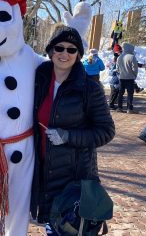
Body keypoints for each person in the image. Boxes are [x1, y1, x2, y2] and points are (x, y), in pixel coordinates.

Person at [0, 0, 92, 234]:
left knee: (17, 215)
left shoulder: (30, 58)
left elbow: (62, 64)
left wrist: (75, 35)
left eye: (4, 16)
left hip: (22, 152)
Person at [30, 24, 115, 235]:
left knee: (70, 230)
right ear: (50, 51)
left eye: (71, 49)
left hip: (75, 177)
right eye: (59, 48)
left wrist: (68, 136)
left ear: (78, 55)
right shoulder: (38, 80)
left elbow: (106, 131)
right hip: (44, 174)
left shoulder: (89, 88)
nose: (64, 54)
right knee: (53, 228)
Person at [116, 42, 139, 114]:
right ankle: (129, 109)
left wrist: (121, 74)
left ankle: (119, 107)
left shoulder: (119, 57)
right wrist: (134, 75)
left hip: (121, 78)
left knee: (120, 93)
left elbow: (117, 68)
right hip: (130, 78)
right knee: (130, 93)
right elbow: (135, 68)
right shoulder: (132, 57)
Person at [107, 44, 122, 110]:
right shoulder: (115, 60)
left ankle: (111, 104)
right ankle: (110, 104)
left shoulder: (116, 59)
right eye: (119, 52)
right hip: (115, 79)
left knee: (115, 92)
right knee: (114, 92)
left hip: (116, 78)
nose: (119, 53)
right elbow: (112, 71)